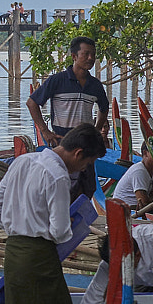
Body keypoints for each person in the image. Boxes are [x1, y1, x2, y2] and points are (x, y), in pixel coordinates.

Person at [0, 124, 107, 304]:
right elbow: (60, 232)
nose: (85, 169)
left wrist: (16, 226)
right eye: (87, 163)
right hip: (39, 256)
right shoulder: (58, 176)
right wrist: (63, 225)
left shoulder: (22, 161)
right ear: (78, 154)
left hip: (13, 251)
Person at [28, 36, 109, 201]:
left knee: (87, 187)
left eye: (93, 54)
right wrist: (45, 131)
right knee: (60, 186)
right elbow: (32, 103)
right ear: (73, 56)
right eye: (86, 54)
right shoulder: (57, 80)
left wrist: (96, 130)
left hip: (86, 144)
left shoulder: (95, 85)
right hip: (62, 142)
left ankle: (78, 220)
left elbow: (104, 108)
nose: (90, 58)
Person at [113, 142, 153, 212]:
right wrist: (152, 197)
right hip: (125, 210)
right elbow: (143, 202)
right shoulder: (139, 171)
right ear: (145, 153)